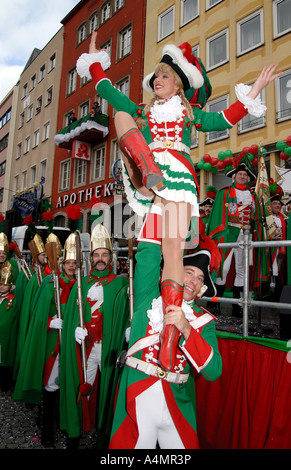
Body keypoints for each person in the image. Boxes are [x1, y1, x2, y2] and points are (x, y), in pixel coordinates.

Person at [77, 31, 280, 370]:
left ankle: (170, 335)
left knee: (169, 251)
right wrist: (96, 64)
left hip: (177, 182)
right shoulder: (144, 110)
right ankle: (146, 164)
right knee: (121, 117)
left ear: (178, 85)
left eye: (165, 75)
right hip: (149, 177)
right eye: (156, 75)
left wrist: (253, 93)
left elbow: (224, 119)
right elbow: (110, 94)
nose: (157, 79)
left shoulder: (190, 113)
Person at [108, 203, 222, 449]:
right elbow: (148, 252)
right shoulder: (149, 297)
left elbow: (214, 371)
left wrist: (186, 328)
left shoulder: (204, 322)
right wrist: (159, 204)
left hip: (178, 404)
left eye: (200, 278)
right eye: (189, 272)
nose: (193, 281)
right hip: (138, 396)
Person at [59, 224, 129, 449]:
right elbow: (71, 315)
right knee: (83, 386)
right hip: (86, 347)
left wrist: (129, 329)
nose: (100, 259)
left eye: (104, 254)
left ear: (111, 257)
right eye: (96, 254)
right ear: (91, 258)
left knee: (109, 388)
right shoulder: (82, 284)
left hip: (109, 346)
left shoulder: (121, 283)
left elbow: (128, 313)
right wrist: (73, 330)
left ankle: (105, 433)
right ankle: (75, 431)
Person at [13, 232, 78, 448]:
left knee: (68, 385)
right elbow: (39, 311)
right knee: (51, 386)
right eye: (68, 263)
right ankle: (46, 429)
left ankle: (63, 422)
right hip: (53, 343)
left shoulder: (81, 285)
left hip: (72, 343)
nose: (71, 266)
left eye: (74, 263)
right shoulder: (51, 283)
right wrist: (50, 321)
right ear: (61, 263)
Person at [206, 154, 267, 316]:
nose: (242, 176)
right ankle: (214, 302)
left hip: (246, 234)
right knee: (223, 268)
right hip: (228, 233)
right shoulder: (224, 193)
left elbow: (257, 218)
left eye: (245, 175)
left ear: (248, 178)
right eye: (240, 174)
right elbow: (218, 215)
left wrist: (255, 213)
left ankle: (236, 306)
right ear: (234, 176)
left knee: (242, 269)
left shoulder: (253, 195)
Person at [13, 233, 52, 378]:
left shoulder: (50, 272)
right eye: (42, 254)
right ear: (36, 256)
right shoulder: (29, 274)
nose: (45, 257)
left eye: (47, 254)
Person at [268, 181, 288, 301]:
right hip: (269, 247)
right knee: (271, 269)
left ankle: (275, 292)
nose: (277, 205)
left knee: (277, 269)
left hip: (281, 248)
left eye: (278, 204)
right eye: (274, 203)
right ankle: (269, 292)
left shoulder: (283, 218)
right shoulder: (267, 218)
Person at [0, 261, 18, 392]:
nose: (2, 287)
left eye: (5, 285)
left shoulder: (12, 300)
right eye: (0, 284)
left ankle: (5, 384)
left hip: (6, 336)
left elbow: (9, 319)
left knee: (5, 359)